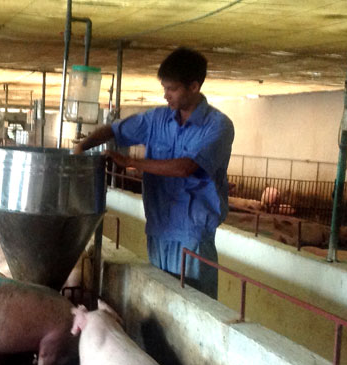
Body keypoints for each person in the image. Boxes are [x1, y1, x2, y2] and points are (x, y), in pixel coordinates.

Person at [73, 47, 234, 299]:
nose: (166, 95)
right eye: (164, 88)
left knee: (192, 304)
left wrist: (131, 162)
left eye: (172, 89)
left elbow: (186, 167)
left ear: (194, 86)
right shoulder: (157, 119)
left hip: (192, 237)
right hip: (158, 229)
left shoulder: (218, 126)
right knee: (161, 302)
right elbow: (113, 130)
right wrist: (81, 148)